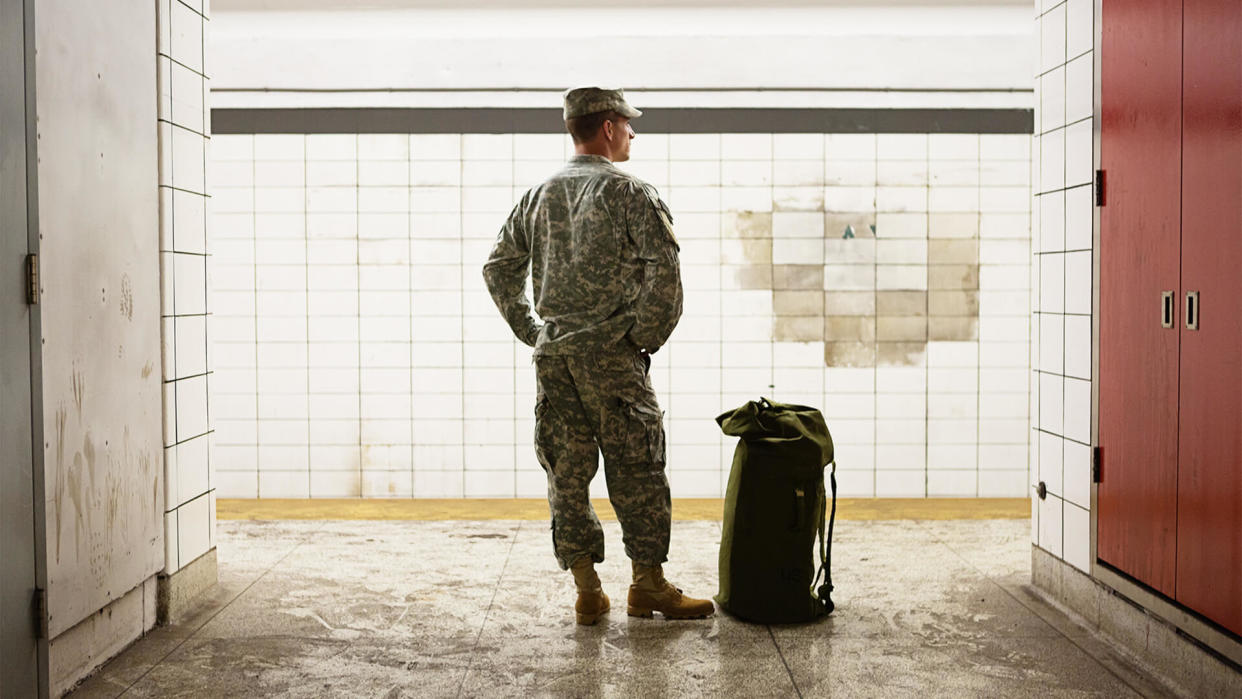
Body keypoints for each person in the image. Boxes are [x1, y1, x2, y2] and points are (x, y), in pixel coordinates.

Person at [482, 87, 714, 625]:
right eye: (628, 123)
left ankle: (588, 592)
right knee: (639, 468)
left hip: (555, 359)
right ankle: (648, 585)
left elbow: (498, 267)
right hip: (610, 359)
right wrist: (641, 338)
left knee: (566, 471)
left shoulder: (537, 196)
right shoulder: (631, 193)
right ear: (607, 128)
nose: (633, 132)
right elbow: (666, 277)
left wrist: (533, 330)